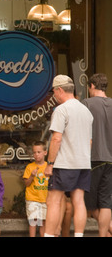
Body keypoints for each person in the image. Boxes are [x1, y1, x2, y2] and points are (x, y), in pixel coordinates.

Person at [44, 74, 93, 237]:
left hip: (64, 164)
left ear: (59, 90)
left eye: (54, 92)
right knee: (79, 201)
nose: (54, 96)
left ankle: (49, 235)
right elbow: (90, 142)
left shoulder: (61, 110)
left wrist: (49, 163)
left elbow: (56, 139)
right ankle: (79, 235)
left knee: (54, 201)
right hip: (83, 163)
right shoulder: (86, 111)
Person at [81, 73, 112, 237]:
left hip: (93, 158)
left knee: (90, 205)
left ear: (92, 86)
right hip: (110, 160)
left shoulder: (87, 103)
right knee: (106, 202)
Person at [23, 141, 49, 237]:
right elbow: (26, 184)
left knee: (43, 222)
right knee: (33, 221)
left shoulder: (48, 167)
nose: (36, 155)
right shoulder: (30, 167)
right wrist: (31, 176)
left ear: (45, 152)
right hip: (32, 199)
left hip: (45, 199)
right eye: (34, 152)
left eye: (39, 152)